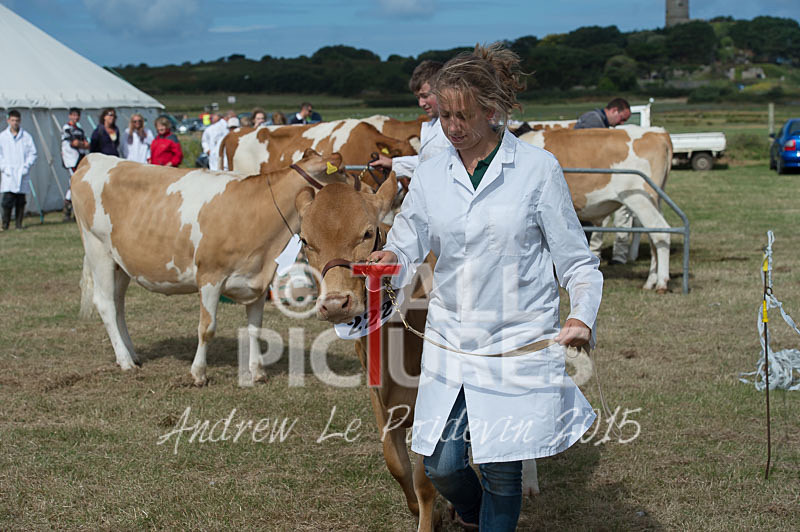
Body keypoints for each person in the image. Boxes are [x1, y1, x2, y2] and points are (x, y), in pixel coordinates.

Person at [368, 43, 603, 530]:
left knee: (502, 468)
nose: (452, 127)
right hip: (452, 337)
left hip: (517, 340)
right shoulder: (433, 171)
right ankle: (471, 514)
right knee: (443, 465)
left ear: (492, 110)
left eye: (463, 115)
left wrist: (580, 316)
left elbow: (577, 261)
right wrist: (392, 254)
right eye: (446, 115)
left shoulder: (537, 170)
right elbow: (411, 237)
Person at [369, 60, 452, 179]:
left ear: (443, 91)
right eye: (418, 98)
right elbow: (426, 162)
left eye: (425, 96)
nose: (421, 103)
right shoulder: (433, 125)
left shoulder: (455, 128)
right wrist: (393, 163)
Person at [574, 98, 633, 264]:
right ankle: (588, 256)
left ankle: (590, 255)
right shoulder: (594, 121)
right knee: (590, 220)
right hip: (586, 181)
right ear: (614, 110)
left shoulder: (594, 119)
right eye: (622, 118)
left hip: (587, 179)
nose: (619, 124)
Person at [0, 110, 38, 230]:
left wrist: (26, 166)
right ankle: (5, 224)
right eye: (12, 120)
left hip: (22, 172)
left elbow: (33, 153)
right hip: (9, 173)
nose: (15, 123)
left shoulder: (26, 137)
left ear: (20, 121)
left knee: (20, 201)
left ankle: (18, 224)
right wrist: (4, 167)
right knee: (7, 200)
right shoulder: (2, 137)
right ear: (8, 121)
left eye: (17, 120)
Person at [60, 107, 89, 222]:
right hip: (71, 159)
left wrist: (81, 144)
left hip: (80, 158)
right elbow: (74, 142)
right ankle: (67, 210)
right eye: (74, 115)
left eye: (78, 115)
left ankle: (74, 211)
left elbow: (86, 144)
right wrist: (81, 144)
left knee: (78, 183)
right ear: (70, 116)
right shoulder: (67, 128)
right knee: (74, 183)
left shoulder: (79, 129)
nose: (76, 117)